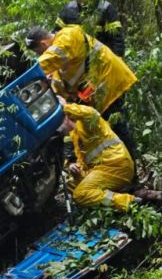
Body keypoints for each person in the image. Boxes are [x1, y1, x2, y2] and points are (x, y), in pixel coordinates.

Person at [25, 23, 137, 158]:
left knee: (118, 128)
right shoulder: (58, 61)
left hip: (109, 82)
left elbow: (51, 58)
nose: (41, 55)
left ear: (43, 44)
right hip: (100, 93)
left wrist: (27, 75)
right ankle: (124, 166)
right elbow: (63, 84)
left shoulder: (68, 35)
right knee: (109, 130)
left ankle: (132, 169)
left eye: (39, 52)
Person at [58, 100, 159, 210]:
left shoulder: (86, 123)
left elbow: (90, 113)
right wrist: (73, 167)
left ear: (67, 118)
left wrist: (64, 107)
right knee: (71, 184)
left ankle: (129, 202)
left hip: (116, 165)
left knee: (80, 194)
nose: (60, 130)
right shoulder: (74, 135)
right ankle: (117, 197)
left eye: (59, 125)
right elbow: (83, 162)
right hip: (103, 169)